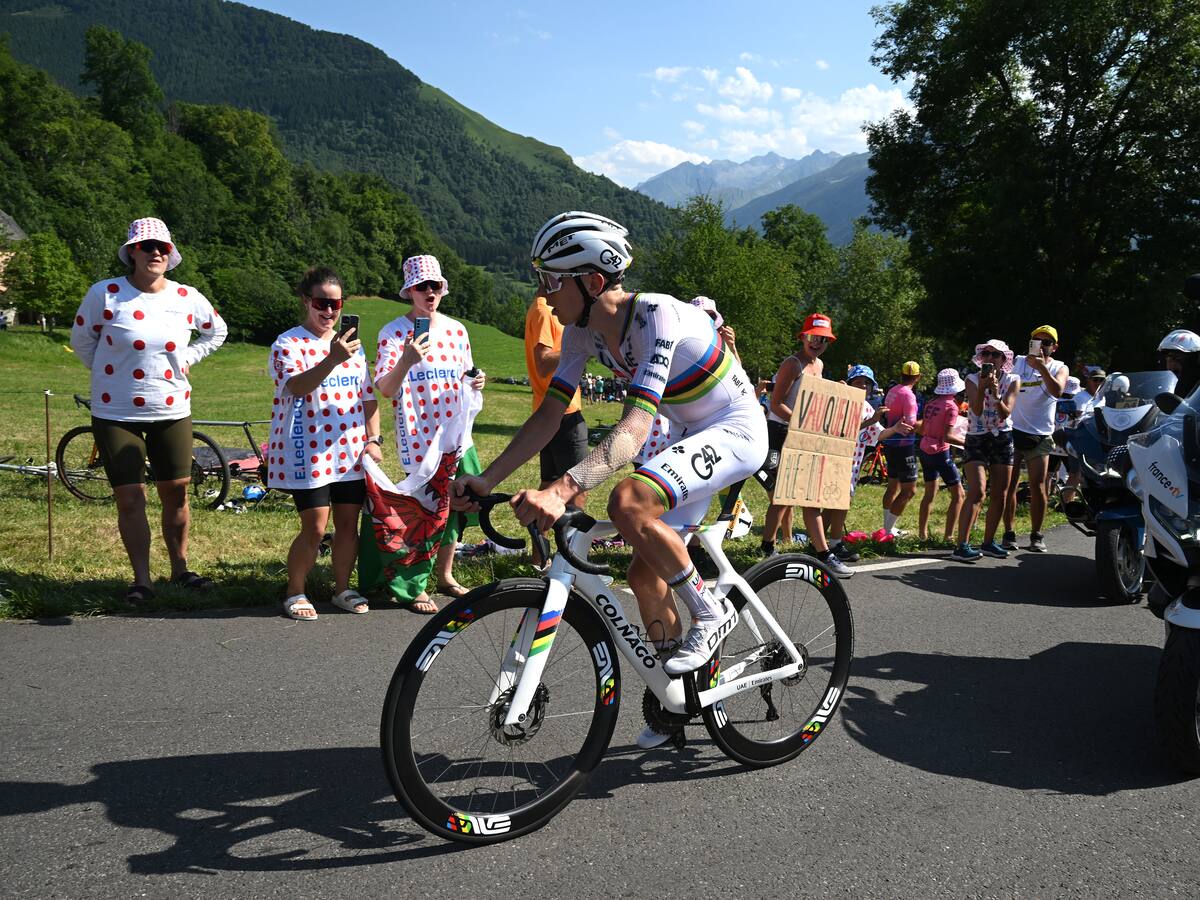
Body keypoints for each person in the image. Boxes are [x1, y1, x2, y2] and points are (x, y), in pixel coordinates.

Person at [452, 210, 766, 749]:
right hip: (690, 430)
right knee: (646, 577)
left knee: (628, 501)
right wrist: (488, 479)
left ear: (593, 281)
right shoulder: (580, 336)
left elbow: (633, 429)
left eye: (552, 280)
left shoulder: (657, 317)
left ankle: (710, 612)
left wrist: (562, 488)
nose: (544, 294)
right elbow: (548, 417)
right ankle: (678, 695)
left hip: (735, 427)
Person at [69, 217, 227, 605]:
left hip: (171, 406)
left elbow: (217, 331)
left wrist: (189, 356)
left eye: (163, 247)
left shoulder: (187, 296)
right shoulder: (104, 293)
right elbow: (82, 340)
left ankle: (180, 568)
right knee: (130, 497)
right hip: (115, 410)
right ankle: (142, 580)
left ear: (170, 254)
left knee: (176, 493)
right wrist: (113, 374)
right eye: (147, 246)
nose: (156, 252)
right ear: (132, 252)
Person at [374, 255, 487, 612]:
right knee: (426, 511)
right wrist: (406, 360)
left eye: (435, 285)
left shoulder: (457, 329)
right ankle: (413, 585)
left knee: (459, 505)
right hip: (420, 437)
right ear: (409, 291)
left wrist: (476, 380)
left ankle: (446, 575)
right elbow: (386, 389)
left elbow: (467, 373)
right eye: (421, 286)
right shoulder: (392, 333)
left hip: (457, 433)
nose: (429, 292)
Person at [268, 268, 382, 620]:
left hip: (350, 450)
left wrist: (374, 439)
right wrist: (331, 359)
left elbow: (367, 398)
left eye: (335, 304)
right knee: (315, 527)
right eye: (321, 303)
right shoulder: (287, 343)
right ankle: (295, 591)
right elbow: (297, 387)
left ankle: (342, 588)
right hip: (308, 451)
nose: (329, 311)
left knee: (348, 525)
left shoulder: (354, 348)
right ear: (306, 301)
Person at [760, 313, 852, 577]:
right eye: (812, 337)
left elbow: (813, 401)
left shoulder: (819, 365)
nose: (817, 342)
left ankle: (815, 551)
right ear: (803, 337)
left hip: (802, 434)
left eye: (823, 339)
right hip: (780, 431)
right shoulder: (792, 364)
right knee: (782, 495)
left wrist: (839, 390)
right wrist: (803, 423)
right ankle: (811, 552)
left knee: (804, 495)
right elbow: (776, 403)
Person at [524, 292, 588, 566]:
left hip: (554, 408)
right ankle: (570, 566)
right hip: (563, 412)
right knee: (577, 490)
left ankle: (540, 561)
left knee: (550, 486)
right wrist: (583, 348)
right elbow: (542, 362)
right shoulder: (543, 310)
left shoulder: (544, 308)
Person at [825, 365, 912, 560]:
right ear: (849, 383)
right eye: (857, 382)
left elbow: (877, 434)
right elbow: (846, 429)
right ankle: (835, 543)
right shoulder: (842, 401)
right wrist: (872, 419)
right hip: (837, 459)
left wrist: (895, 428)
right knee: (839, 503)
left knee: (835, 503)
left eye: (866, 383)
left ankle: (820, 543)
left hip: (853, 463)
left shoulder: (866, 406)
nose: (862, 386)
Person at [1001, 326, 1068, 553]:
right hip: (1012, 429)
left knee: (1038, 486)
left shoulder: (1060, 367)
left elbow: (1057, 391)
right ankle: (1008, 533)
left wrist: (1041, 367)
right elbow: (1000, 368)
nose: (1041, 346)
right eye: (1036, 341)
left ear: (1054, 347)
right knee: (1008, 486)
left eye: (1046, 342)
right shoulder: (1018, 362)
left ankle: (1037, 535)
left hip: (1040, 433)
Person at [952, 340, 1019, 562]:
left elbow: (1005, 413)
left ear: (1003, 360)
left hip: (1002, 437)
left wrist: (997, 393)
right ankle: (962, 544)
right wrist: (982, 387)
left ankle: (989, 542)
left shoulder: (1012, 380)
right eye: (986, 354)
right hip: (976, 436)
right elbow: (977, 409)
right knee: (978, 491)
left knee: (1000, 492)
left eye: (995, 355)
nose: (990, 358)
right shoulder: (971, 379)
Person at [917, 368, 966, 542]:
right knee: (959, 495)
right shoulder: (951, 407)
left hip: (924, 449)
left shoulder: (931, 403)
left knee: (929, 493)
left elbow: (923, 429)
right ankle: (949, 536)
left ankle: (922, 534)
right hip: (940, 451)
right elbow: (947, 436)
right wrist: (968, 443)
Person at [879, 362, 923, 536]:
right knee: (909, 490)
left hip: (890, 442)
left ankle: (886, 527)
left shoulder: (893, 390)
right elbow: (910, 425)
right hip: (904, 446)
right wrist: (927, 422)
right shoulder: (909, 396)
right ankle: (888, 531)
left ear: (901, 374)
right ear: (918, 377)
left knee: (892, 487)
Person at [1158, 330, 1200, 398]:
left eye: (1177, 357)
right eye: (1168, 356)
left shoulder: (1196, 386)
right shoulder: (1162, 384)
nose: (1170, 361)